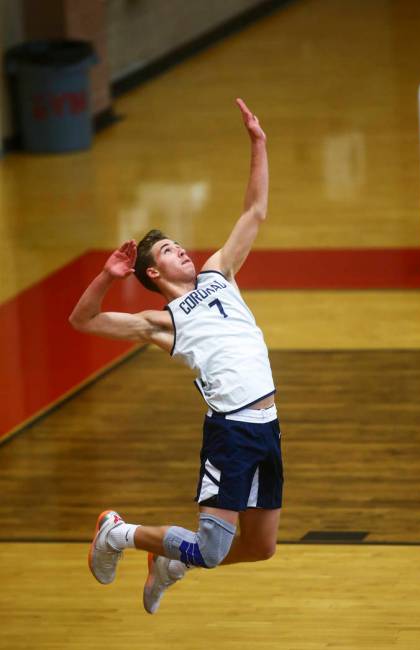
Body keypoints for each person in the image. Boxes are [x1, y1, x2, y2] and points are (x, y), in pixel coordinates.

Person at [69, 98, 283, 614]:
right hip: (230, 431)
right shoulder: (163, 322)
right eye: (167, 252)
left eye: (177, 244)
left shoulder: (219, 273)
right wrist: (105, 278)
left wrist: (259, 143)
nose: (181, 249)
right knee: (212, 545)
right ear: (152, 276)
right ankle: (118, 534)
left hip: (267, 424)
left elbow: (254, 210)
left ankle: (172, 561)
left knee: (259, 547)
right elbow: (84, 321)